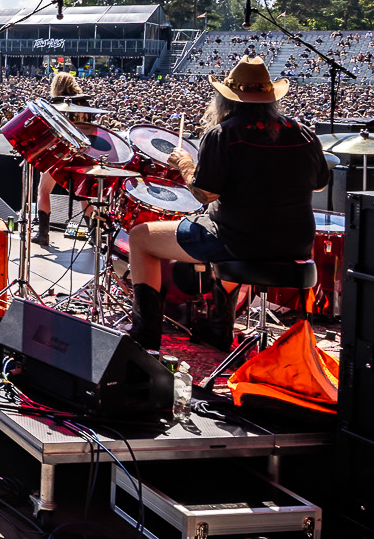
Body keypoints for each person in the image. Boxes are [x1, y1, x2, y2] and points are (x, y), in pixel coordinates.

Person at [124, 56, 330, 352]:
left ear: (225, 99)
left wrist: (185, 165)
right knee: (230, 235)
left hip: (239, 241)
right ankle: (218, 328)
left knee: (140, 237)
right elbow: (320, 183)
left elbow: (205, 194)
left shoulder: (224, 134)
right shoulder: (302, 132)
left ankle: (144, 338)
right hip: (295, 244)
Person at [33, 70, 102, 248]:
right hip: (81, 155)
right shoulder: (84, 104)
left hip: (59, 155)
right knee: (84, 195)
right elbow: (91, 131)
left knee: (43, 190)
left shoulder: (55, 105)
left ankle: (43, 233)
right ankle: (94, 235)